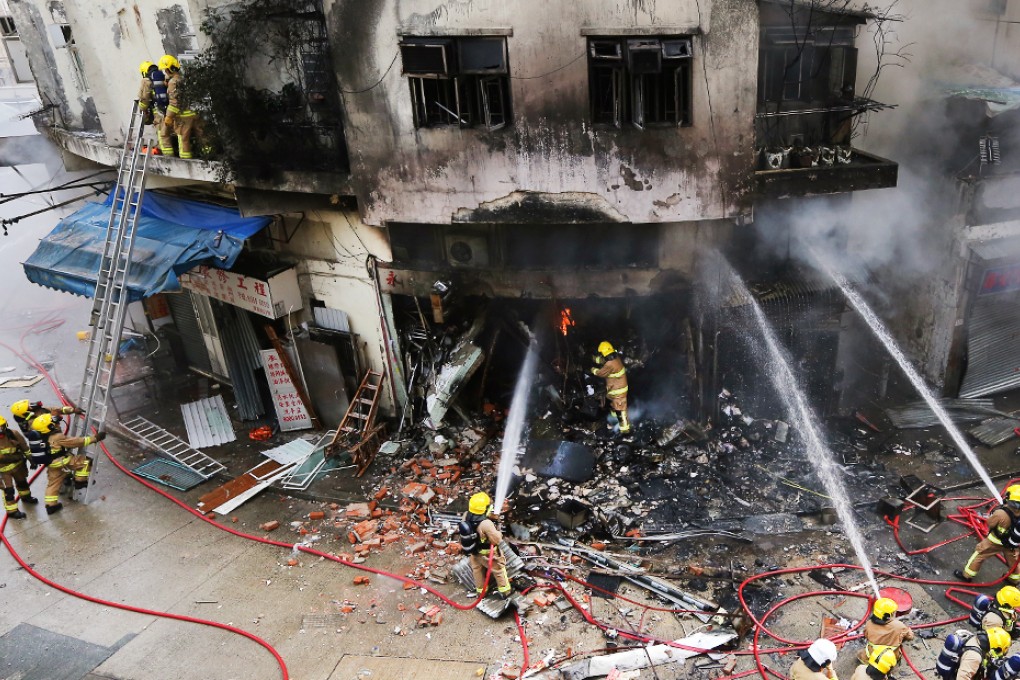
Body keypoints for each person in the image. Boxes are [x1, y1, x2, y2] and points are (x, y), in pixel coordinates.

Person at [31, 413, 105, 515]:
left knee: (53, 484)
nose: (58, 424)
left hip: (52, 464)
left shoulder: (42, 437)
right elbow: (76, 442)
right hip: (63, 461)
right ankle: (80, 481)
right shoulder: (57, 436)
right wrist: (94, 438)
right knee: (86, 461)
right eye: (55, 423)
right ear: (50, 426)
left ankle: (51, 506)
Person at [956, 485, 1020, 583]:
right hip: (1012, 545)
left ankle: (967, 576)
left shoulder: (1000, 514)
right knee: (1014, 562)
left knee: (979, 555)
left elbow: (989, 523)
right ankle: (1013, 580)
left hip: (994, 542)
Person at [458, 491, 512, 599]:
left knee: (477, 570)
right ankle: (505, 591)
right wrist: (499, 531)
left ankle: (481, 592)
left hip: (474, 552)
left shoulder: (466, 515)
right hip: (488, 554)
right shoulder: (486, 524)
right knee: (498, 569)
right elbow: (496, 540)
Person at [159, 54, 203, 159]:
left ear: (170, 69)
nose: (165, 72)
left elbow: (174, 103)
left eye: (166, 70)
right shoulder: (185, 78)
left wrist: (169, 116)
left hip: (184, 117)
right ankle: (209, 155)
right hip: (196, 113)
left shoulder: (173, 82)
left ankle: (186, 159)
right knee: (202, 136)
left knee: (183, 138)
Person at [857, 597, 915, 662]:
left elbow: (866, 635)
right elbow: (910, 637)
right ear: (889, 615)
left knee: (861, 655)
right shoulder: (899, 626)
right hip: (889, 658)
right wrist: (908, 631)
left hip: (872, 655)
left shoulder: (869, 623)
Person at [591, 341, 630, 434]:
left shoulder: (611, 364)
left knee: (620, 411)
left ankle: (625, 431)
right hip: (615, 389)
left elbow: (600, 373)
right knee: (614, 406)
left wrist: (592, 369)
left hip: (618, 392)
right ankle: (614, 421)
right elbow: (602, 360)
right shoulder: (614, 357)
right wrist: (593, 358)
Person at [0, 416, 35, 519]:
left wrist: (31, 460)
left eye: (1, 427)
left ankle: (26, 497)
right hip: (3, 471)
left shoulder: (14, 434)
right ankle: (12, 511)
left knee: (22, 483)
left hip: (18, 466)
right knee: (9, 491)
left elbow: (25, 448)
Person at [137, 60, 169, 150]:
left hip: (158, 110)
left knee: (162, 132)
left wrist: (142, 109)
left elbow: (144, 98)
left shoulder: (146, 80)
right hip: (169, 109)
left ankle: (165, 154)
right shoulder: (162, 76)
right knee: (169, 131)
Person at [10, 400, 82, 436]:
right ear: (26, 412)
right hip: (51, 440)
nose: (31, 405)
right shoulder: (32, 423)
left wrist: (72, 410)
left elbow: (57, 410)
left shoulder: (38, 410)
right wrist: (55, 418)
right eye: (28, 406)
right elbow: (48, 427)